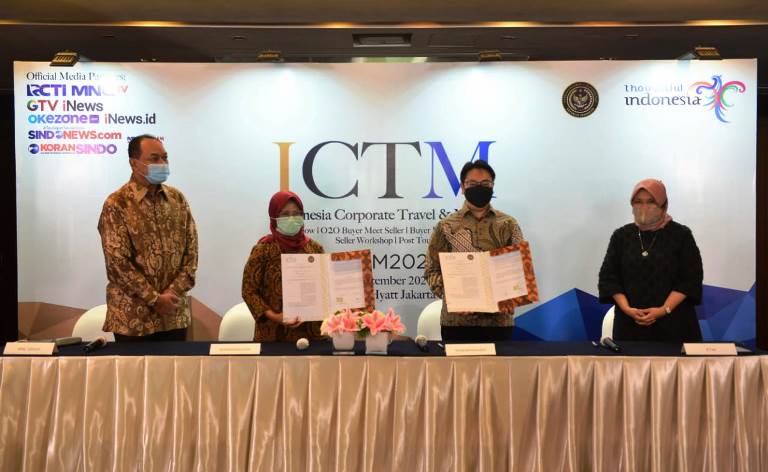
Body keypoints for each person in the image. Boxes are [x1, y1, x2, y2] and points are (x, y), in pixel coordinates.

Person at [98, 134, 198, 341]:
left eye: (165, 157)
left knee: (176, 364)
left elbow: (191, 253)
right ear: (134, 163)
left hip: (173, 315)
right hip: (133, 319)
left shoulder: (177, 199)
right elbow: (117, 263)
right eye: (154, 158)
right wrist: (155, 299)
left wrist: (171, 295)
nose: (162, 163)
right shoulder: (117, 203)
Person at [424, 160, 524, 342]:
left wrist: (513, 296)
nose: (479, 188)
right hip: (456, 323)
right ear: (462, 187)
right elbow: (432, 270)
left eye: (485, 183)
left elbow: (519, 268)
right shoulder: (445, 226)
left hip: (499, 323)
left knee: (500, 363)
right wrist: (452, 295)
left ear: (492, 186)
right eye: (472, 184)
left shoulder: (509, 224)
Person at [598, 178, 703, 342]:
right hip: (629, 326)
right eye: (638, 202)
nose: (644, 207)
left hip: (675, 325)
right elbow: (609, 278)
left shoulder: (681, 235)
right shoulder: (621, 236)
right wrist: (627, 309)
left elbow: (690, 279)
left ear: (663, 205)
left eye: (651, 202)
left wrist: (663, 310)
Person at [241, 191, 325, 342]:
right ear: (274, 217)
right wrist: (275, 316)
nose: (291, 218)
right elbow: (249, 290)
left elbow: (325, 287)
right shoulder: (263, 250)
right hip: (272, 336)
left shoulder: (315, 249)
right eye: (285, 214)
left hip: (311, 335)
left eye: (296, 213)